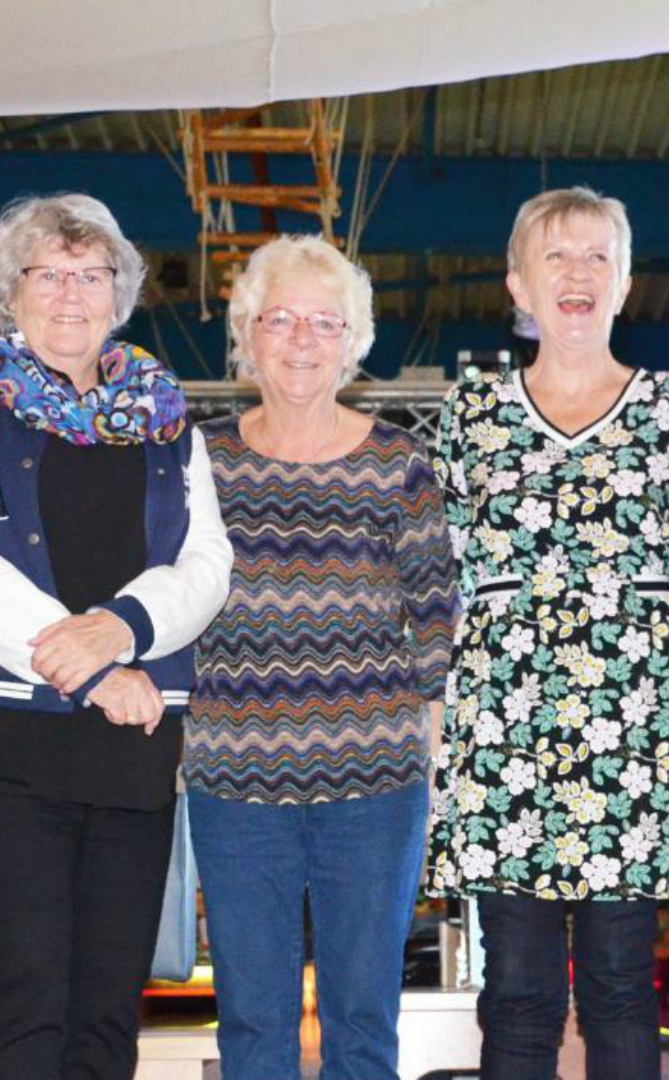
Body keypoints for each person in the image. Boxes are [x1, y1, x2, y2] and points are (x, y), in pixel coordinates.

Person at [426, 186, 669, 1080]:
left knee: (617, 987)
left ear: (625, 281)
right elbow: (432, 584)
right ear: (517, 286)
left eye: (596, 256)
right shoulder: (470, 416)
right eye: (555, 258)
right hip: (503, 741)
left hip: (636, 736)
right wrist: (430, 721)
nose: (576, 275)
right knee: (518, 996)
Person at [0, 193, 231, 1080]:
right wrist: (84, 668)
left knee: (104, 1017)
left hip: (132, 741)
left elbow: (206, 562)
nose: (69, 294)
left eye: (90, 275)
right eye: (47, 273)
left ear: (119, 293)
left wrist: (124, 630)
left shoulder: (166, 413)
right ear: (10, 290)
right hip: (5, 737)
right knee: (24, 1002)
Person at [186, 235, 457, 1079]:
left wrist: (431, 741)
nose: (301, 340)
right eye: (280, 320)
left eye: (323, 322)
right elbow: (169, 602)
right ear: (247, 334)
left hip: (374, 787)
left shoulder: (398, 463)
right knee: (251, 1022)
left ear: (353, 341)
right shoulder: (201, 459)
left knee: (363, 1021)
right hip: (233, 783)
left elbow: (436, 614)